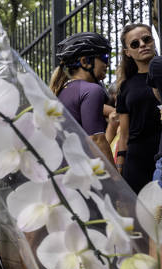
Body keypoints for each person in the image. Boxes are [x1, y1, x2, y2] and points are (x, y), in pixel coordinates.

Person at [49, 32, 114, 163]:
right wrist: (117, 180)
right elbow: (97, 140)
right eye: (104, 57)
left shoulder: (60, 91)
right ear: (85, 61)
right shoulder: (92, 90)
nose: (107, 63)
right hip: (80, 174)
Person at [115, 23, 161, 193]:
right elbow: (124, 134)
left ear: (153, 41)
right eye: (135, 43)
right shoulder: (125, 87)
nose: (142, 44)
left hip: (160, 151)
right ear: (128, 52)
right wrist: (120, 165)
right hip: (137, 160)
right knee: (141, 216)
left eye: (146, 39)